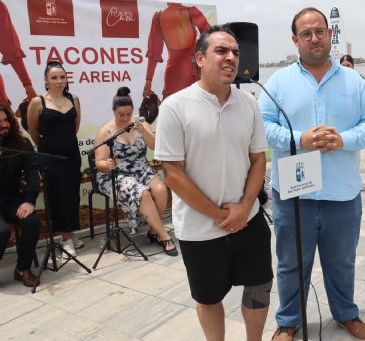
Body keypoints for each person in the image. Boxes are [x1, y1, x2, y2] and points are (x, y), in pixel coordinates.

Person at [259, 7, 365, 341]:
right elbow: (262, 127)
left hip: (341, 194)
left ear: (330, 35)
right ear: (295, 40)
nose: (314, 38)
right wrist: (301, 139)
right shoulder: (279, 81)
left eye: (320, 31)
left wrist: (343, 140)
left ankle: (345, 313)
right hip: (293, 195)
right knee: (290, 263)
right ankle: (288, 321)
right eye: (306, 33)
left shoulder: (353, 81)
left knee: (342, 262)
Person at [155, 25, 273, 341]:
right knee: (208, 297)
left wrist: (245, 207)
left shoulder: (248, 103)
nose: (231, 57)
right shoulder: (175, 106)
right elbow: (174, 174)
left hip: (248, 220)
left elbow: (258, 159)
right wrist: (220, 215)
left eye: (235, 52)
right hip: (200, 228)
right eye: (221, 51)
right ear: (199, 58)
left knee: (260, 285)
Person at [94, 87, 177, 256]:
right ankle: (164, 236)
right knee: (143, 193)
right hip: (117, 174)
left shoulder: (140, 122)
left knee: (161, 190)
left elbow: (154, 146)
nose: (125, 118)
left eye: (128, 114)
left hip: (141, 168)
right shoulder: (106, 131)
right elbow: (99, 163)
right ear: (113, 112)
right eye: (121, 115)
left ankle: (153, 231)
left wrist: (143, 130)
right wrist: (107, 164)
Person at [26, 61, 83, 256]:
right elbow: (33, 130)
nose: (59, 81)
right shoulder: (37, 102)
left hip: (72, 155)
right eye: (54, 78)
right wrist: (46, 149)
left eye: (62, 77)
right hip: (49, 158)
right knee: (57, 195)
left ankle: (70, 232)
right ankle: (65, 238)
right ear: (46, 80)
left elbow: (74, 128)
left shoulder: (74, 99)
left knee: (72, 194)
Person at [0, 105, 40, 287]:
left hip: (12, 198)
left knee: (31, 221)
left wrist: (29, 201)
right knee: (2, 231)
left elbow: (32, 174)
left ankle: (22, 268)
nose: (4, 125)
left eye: (6, 120)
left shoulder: (21, 143)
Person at [144, 3, 212, 100]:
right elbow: (211, 36)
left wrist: (149, 80)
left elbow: (154, 52)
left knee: (172, 111)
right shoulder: (191, 11)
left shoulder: (158, 17)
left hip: (173, 75)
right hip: (193, 70)